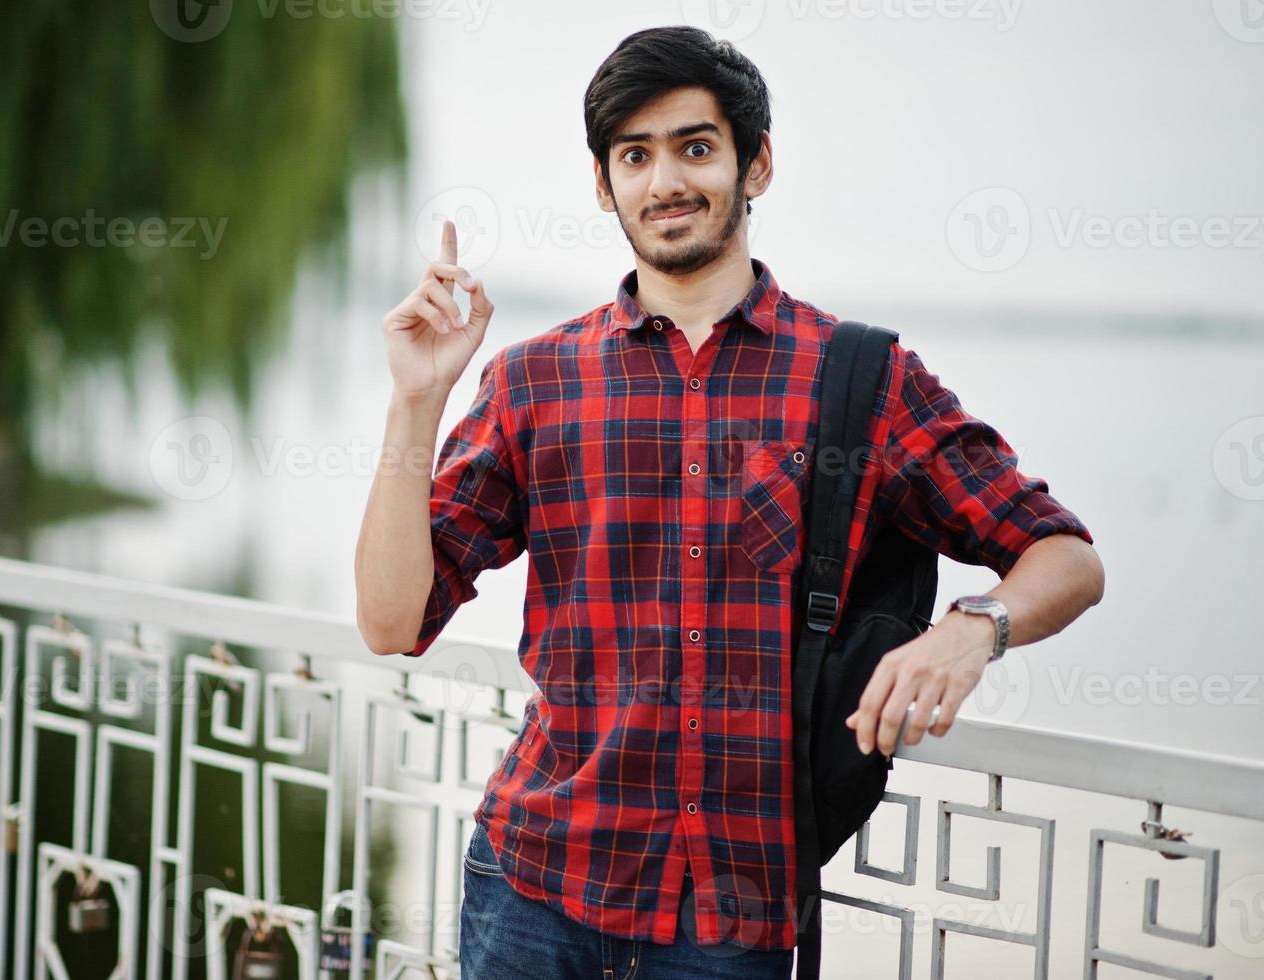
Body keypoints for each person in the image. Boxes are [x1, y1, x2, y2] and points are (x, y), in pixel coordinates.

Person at [354, 25, 1104, 980]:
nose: (665, 179)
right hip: (533, 888)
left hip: (729, 921)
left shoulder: (861, 381)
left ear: (756, 165)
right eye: (635, 155)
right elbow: (387, 622)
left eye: (695, 147)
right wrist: (416, 400)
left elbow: (1064, 556)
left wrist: (972, 628)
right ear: (603, 184)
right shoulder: (533, 381)